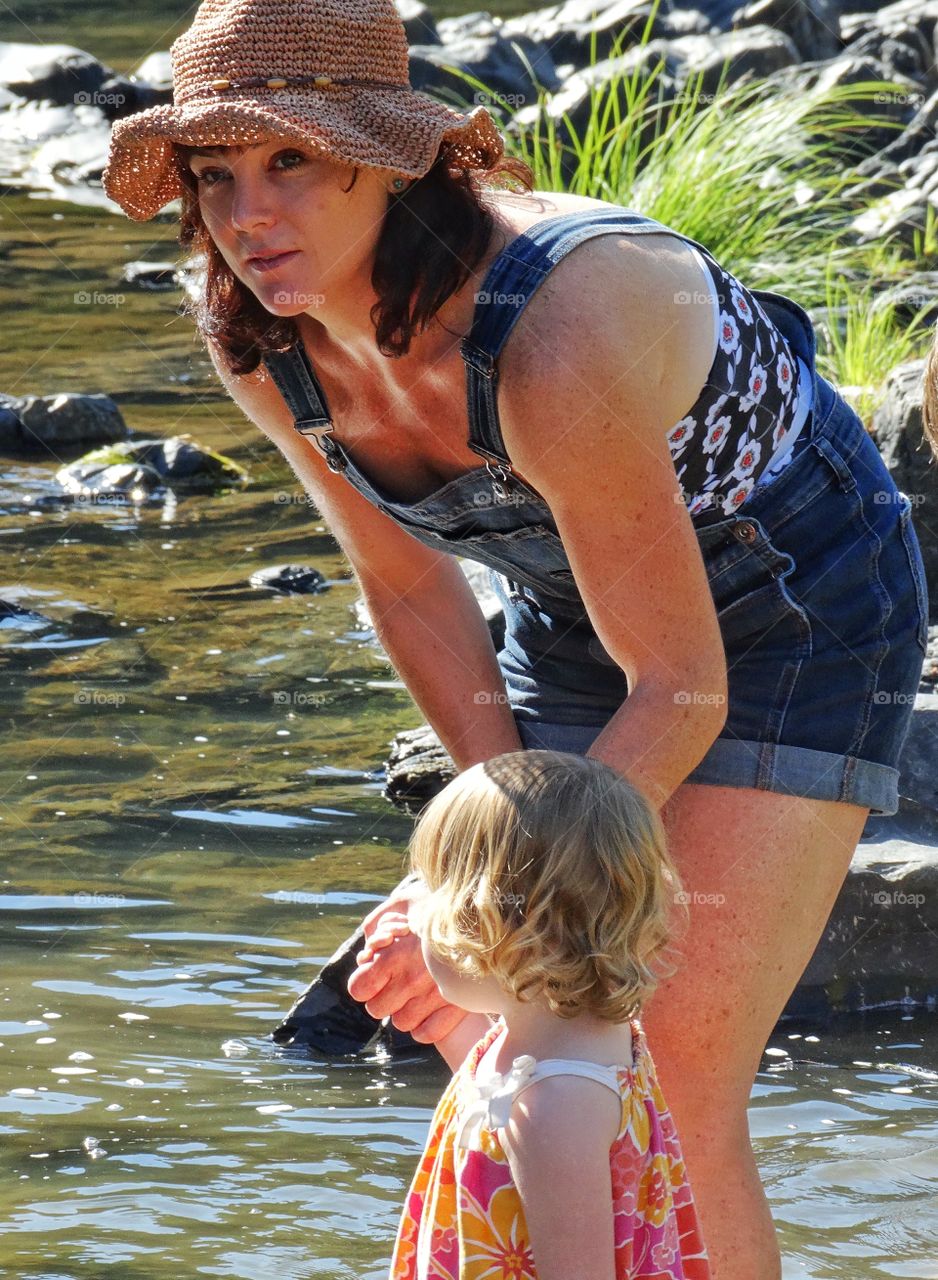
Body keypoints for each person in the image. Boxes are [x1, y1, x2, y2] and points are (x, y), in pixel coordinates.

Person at [100, 0, 932, 1275]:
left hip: (791, 603)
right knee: (515, 1043)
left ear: (391, 159)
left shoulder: (555, 327)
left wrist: (472, 884)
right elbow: (413, 584)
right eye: (213, 177)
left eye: (289, 165)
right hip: (565, 599)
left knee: (662, 1072)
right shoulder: (264, 339)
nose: (243, 217)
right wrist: (476, 860)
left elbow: (682, 683)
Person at [360, 747, 711, 1280]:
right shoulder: (566, 1043)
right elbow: (484, 1094)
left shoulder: (553, 1108)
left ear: (490, 923)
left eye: (433, 896)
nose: (417, 917)